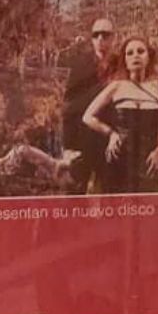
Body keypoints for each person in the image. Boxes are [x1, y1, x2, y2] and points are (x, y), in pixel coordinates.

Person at [82, 36, 158, 194]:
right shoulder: (116, 87)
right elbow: (88, 116)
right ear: (125, 60)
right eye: (130, 53)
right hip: (118, 160)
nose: (135, 55)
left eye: (141, 51)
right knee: (117, 205)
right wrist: (111, 133)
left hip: (148, 161)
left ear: (148, 57)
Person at [61, 18, 115, 192]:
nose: (100, 39)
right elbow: (68, 108)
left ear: (113, 38)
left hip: (111, 140)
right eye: (96, 35)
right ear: (91, 39)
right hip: (82, 139)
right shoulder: (80, 66)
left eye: (105, 35)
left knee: (111, 194)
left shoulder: (121, 65)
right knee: (75, 193)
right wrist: (68, 147)